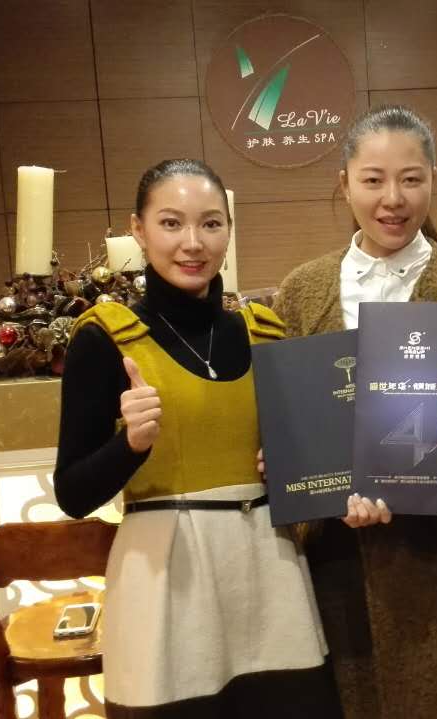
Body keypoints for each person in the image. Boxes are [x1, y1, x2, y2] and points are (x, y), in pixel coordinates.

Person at [271, 105, 437, 719]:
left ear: (433, 180)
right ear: (344, 183)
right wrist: (283, 454)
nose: (393, 199)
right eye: (373, 180)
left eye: (411, 179)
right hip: (336, 547)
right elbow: (284, 399)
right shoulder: (302, 289)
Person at [53, 159, 341, 718]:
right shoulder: (104, 339)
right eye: (171, 223)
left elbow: (307, 462)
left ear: (229, 231)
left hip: (269, 571)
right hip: (165, 577)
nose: (193, 243)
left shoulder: (266, 332)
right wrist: (130, 445)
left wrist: (292, 465)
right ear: (138, 230)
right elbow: (72, 493)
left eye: (211, 223)